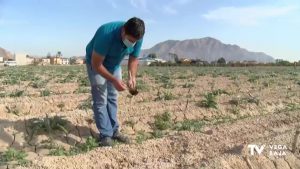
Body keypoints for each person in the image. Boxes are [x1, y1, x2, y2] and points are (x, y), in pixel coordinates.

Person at [85, 17, 145, 146]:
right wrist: (114, 80)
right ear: (123, 31)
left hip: (114, 65)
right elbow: (97, 65)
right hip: (96, 64)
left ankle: (114, 131)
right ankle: (105, 135)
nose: (132, 43)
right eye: (130, 40)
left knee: (113, 97)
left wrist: (132, 77)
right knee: (101, 99)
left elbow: (133, 59)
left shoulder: (137, 36)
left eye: (135, 41)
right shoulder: (106, 34)